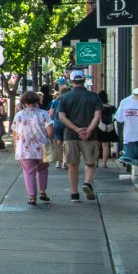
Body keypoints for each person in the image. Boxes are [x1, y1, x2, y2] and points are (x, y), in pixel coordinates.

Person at [54, 71, 102, 201]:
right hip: (90, 136)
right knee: (91, 162)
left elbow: (62, 117)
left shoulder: (64, 98)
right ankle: (87, 182)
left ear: (71, 81)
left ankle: (74, 194)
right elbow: (98, 116)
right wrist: (89, 131)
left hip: (70, 135)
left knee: (73, 165)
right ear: (84, 80)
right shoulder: (94, 97)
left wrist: (76, 129)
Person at [13, 89, 52, 205]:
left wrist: (16, 146)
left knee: (29, 172)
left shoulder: (19, 115)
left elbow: (15, 133)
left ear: (23, 102)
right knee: (43, 169)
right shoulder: (44, 114)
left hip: (25, 149)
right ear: (37, 101)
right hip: (43, 147)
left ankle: (31, 196)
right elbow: (50, 131)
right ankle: (42, 192)